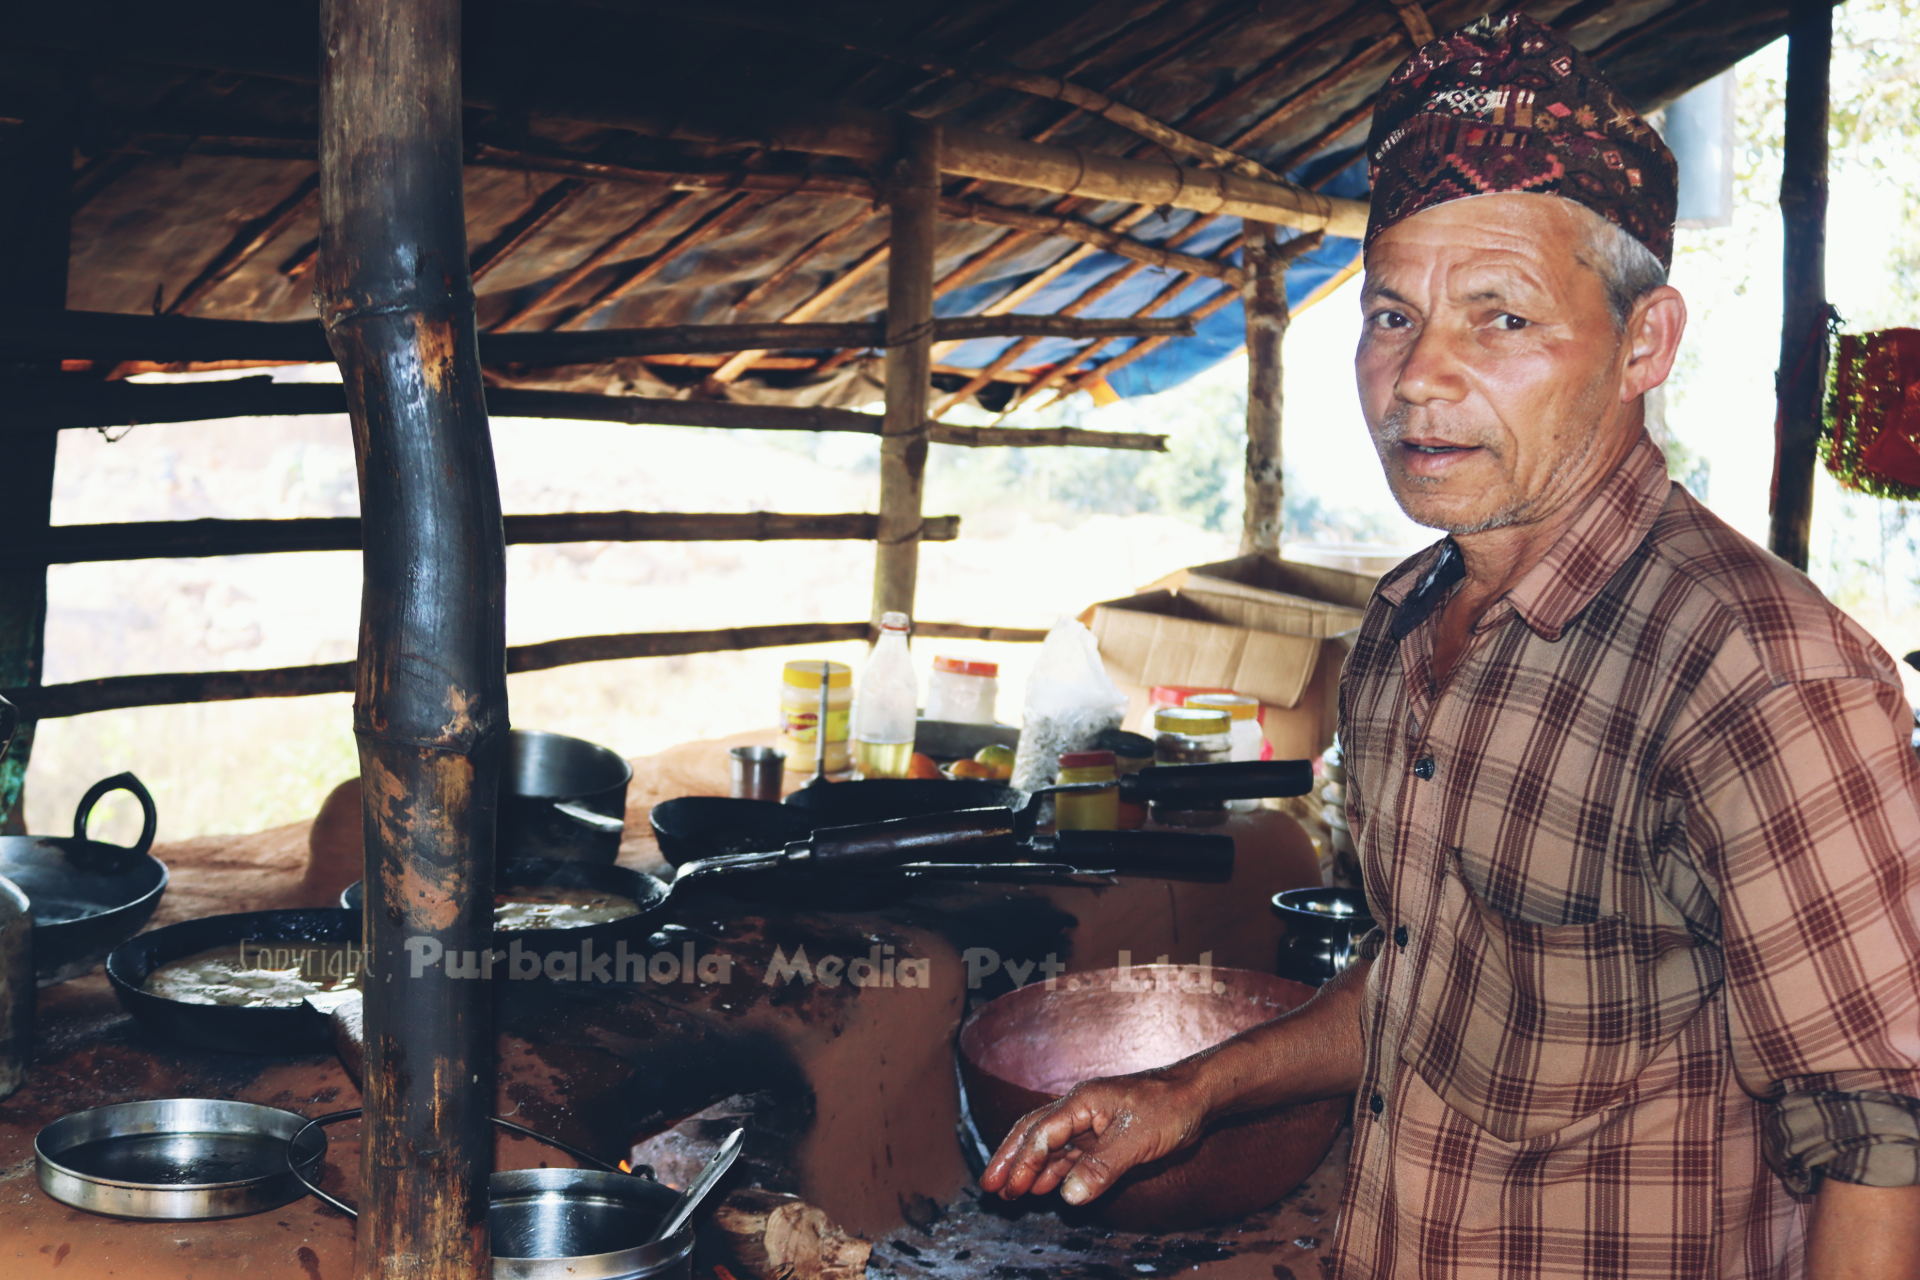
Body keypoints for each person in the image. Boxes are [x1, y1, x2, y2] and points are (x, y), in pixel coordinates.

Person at [979, 15, 1920, 1278]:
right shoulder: (1408, 620)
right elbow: (1428, 985)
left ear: (1647, 343)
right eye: (1388, 314)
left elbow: (1880, 1141)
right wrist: (1193, 1088)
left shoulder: (1752, 670)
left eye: (1501, 318)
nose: (1419, 376)